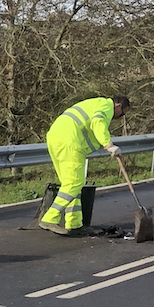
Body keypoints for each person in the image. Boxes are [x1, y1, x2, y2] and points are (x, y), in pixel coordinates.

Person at [39, 94, 129, 234]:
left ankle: (74, 224)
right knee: (75, 183)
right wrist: (108, 145)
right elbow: (97, 122)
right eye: (123, 113)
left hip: (56, 137)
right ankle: (50, 218)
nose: (120, 116)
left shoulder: (96, 103)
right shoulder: (106, 106)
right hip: (71, 141)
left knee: (69, 185)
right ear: (118, 105)